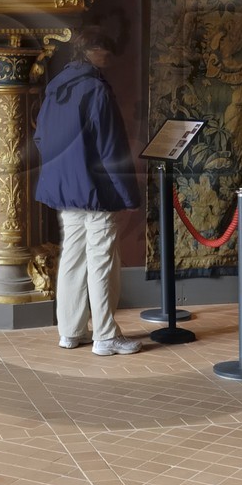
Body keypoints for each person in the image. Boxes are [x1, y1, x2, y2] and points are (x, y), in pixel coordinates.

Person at [33, 27, 143, 356]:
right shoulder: (96, 90)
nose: (108, 56)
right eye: (104, 49)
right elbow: (111, 149)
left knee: (72, 258)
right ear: (90, 51)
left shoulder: (55, 88)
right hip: (96, 190)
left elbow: (40, 138)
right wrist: (129, 195)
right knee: (101, 261)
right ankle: (106, 336)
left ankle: (70, 331)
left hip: (64, 187)